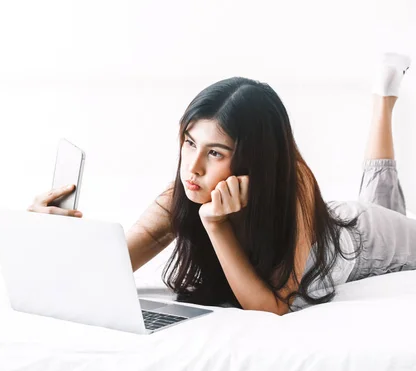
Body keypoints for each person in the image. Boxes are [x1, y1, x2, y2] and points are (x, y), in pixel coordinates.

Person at [27, 52, 414, 315]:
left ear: (254, 159)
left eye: (215, 153)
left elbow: (272, 308)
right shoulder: (181, 196)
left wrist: (216, 225)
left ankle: (383, 102)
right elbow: (107, 271)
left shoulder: (293, 184)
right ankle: (384, 99)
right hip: (336, 225)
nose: (192, 168)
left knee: (388, 211)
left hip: (366, 239)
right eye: (190, 143)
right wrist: (51, 243)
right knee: (383, 196)